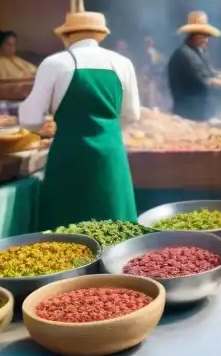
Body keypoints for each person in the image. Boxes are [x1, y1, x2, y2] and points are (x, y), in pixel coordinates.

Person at [19, 12, 140, 230]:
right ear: (100, 35)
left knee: (66, 232)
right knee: (114, 227)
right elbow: (132, 115)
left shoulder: (54, 63)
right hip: (111, 156)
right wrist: (106, 129)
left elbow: (30, 120)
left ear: (66, 36)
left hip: (70, 154)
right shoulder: (123, 63)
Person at [167, 11, 221, 122]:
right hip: (188, 109)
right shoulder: (185, 54)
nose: (206, 40)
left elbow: (209, 71)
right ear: (191, 36)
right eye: (202, 36)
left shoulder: (201, 51)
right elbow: (204, 79)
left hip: (201, 106)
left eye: (207, 36)